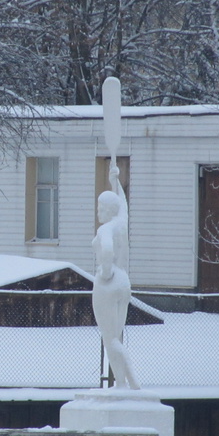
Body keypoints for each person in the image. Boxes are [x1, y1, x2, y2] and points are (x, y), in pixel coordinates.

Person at [92, 163, 140, 390]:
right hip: (124, 283)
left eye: (100, 208)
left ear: (108, 211)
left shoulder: (106, 230)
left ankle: (127, 378)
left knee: (109, 338)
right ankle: (121, 382)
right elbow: (124, 206)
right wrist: (115, 182)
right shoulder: (121, 223)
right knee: (116, 335)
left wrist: (105, 270)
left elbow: (108, 249)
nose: (98, 212)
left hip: (108, 285)